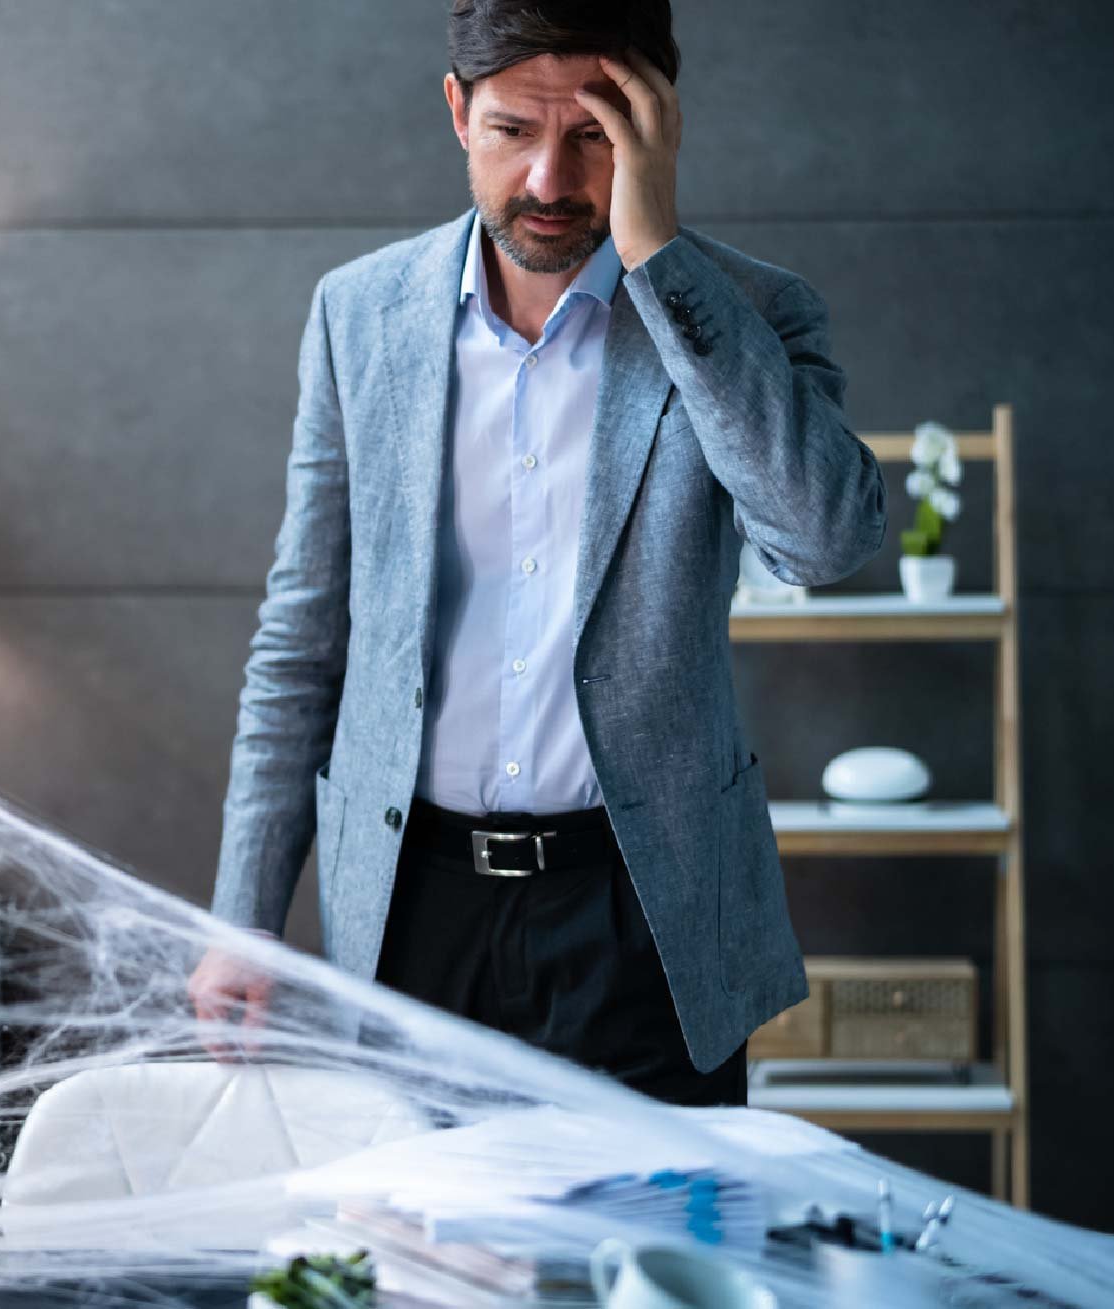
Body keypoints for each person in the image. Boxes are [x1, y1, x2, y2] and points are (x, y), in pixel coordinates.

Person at [189, 0, 884, 1107]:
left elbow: (821, 539)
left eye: (593, 135)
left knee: (648, 1226)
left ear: (655, 128)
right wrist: (244, 920)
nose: (549, 181)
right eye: (513, 130)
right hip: (410, 912)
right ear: (457, 112)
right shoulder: (358, 316)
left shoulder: (747, 312)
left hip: (647, 912)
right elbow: (302, 637)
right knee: (422, 1221)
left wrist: (658, 260)